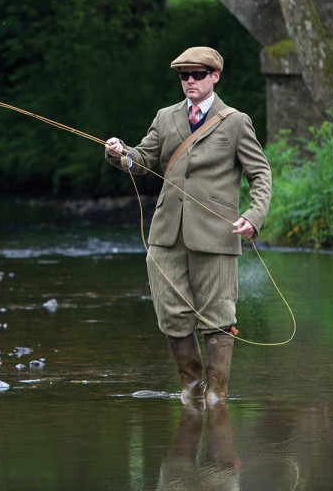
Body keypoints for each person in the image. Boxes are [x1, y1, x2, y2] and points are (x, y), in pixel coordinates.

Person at [104, 46, 271, 406]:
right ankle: (191, 390)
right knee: (171, 314)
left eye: (197, 75)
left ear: (215, 76)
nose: (190, 81)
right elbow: (142, 159)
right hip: (165, 234)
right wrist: (120, 153)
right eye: (184, 76)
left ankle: (216, 395)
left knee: (218, 318)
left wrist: (253, 216)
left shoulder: (236, 121)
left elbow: (261, 174)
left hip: (217, 234)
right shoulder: (165, 118)